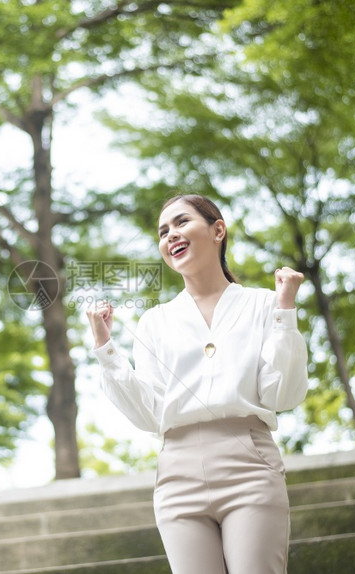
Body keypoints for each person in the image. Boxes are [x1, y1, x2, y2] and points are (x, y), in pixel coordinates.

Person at [86, 194, 308, 574]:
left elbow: (282, 395)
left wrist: (286, 311)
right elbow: (150, 413)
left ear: (217, 230)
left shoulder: (263, 304)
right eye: (163, 231)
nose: (171, 234)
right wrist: (105, 348)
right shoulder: (155, 322)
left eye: (181, 222)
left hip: (249, 466)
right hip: (177, 475)